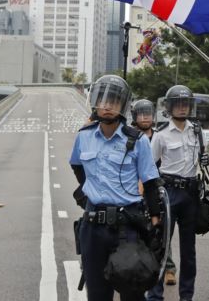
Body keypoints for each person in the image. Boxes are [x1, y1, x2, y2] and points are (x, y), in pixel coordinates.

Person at [70, 75, 163, 301]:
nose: (108, 106)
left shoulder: (138, 140)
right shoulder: (84, 136)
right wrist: (89, 189)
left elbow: (150, 182)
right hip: (92, 229)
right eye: (103, 100)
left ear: (122, 105)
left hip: (128, 229)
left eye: (113, 101)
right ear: (94, 103)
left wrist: (155, 221)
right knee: (98, 295)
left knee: (132, 292)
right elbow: (76, 165)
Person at [148, 84, 208, 301]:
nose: (182, 108)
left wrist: (204, 159)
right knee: (162, 246)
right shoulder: (161, 135)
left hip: (191, 194)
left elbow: (201, 158)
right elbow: (150, 167)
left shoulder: (197, 131)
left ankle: (187, 296)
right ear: (170, 107)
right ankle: (155, 295)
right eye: (178, 104)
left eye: (186, 104)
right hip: (169, 193)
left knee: (189, 251)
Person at [128, 98, 178, 285]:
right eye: (141, 114)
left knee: (161, 229)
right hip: (133, 189)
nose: (145, 117)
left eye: (148, 113)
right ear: (134, 116)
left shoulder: (160, 136)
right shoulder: (129, 136)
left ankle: (168, 267)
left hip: (156, 189)